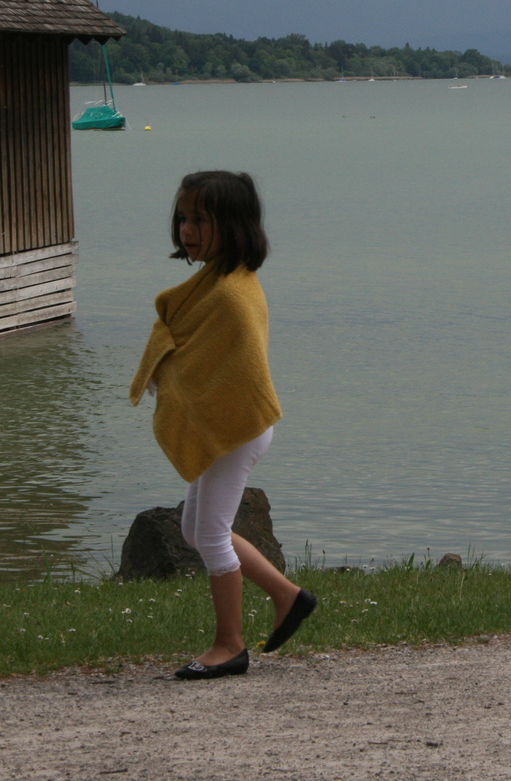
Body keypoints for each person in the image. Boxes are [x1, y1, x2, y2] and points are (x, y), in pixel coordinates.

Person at [130, 170, 317, 679]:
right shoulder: (216, 282)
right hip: (230, 426)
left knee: (210, 534)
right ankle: (288, 596)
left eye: (201, 220)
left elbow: (225, 368)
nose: (187, 230)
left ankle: (230, 645)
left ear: (231, 226)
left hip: (234, 427)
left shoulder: (231, 295)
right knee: (195, 529)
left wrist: (171, 370)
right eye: (183, 218)